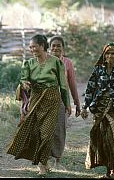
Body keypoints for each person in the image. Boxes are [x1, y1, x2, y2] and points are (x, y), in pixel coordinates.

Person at [7, 34, 71, 176]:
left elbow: (63, 85)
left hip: (53, 100)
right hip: (36, 100)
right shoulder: (28, 64)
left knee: (47, 133)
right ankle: (44, 161)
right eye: (30, 47)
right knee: (36, 133)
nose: (32, 49)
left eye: (34, 46)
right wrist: (24, 84)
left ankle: (42, 164)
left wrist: (67, 104)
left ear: (42, 46)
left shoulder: (56, 62)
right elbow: (23, 80)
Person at [80, 42, 114, 178]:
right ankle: (108, 171)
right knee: (101, 139)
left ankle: (112, 170)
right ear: (104, 55)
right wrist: (84, 107)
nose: (110, 55)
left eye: (113, 53)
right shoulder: (98, 70)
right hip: (98, 109)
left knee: (111, 139)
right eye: (107, 53)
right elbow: (90, 90)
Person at [48, 35, 81, 168]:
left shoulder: (67, 63)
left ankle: (57, 159)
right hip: (46, 101)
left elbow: (72, 84)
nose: (56, 48)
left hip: (62, 101)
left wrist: (77, 103)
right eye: (53, 46)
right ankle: (46, 158)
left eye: (58, 46)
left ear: (63, 49)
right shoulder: (44, 61)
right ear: (49, 49)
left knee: (60, 131)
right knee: (46, 130)